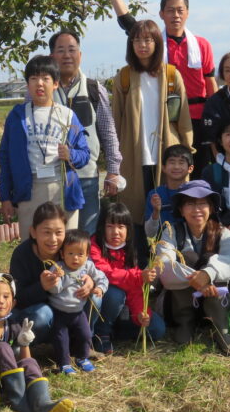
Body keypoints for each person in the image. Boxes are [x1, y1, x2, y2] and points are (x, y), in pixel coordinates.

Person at [104, 0, 218, 170]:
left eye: (180, 10)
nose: (176, 15)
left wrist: (217, 119)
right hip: (165, 119)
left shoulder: (201, 45)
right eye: (170, 10)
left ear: (187, 13)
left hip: (198, 119)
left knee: (201, 171)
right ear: (161, 14)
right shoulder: (154, 42)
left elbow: (211, 84)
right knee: (169, 173)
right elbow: (126, 20)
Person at [111, 18, 193, 263]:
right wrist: (113, 161)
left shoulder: (170, 75)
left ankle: (173, 264)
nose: (142, 45)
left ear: (157, 42)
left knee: (171, 210)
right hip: (133, 156)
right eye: (137, 40)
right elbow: (115, 120)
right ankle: (140, 267)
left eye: (148, 39)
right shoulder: (124, 77)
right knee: (135, 213)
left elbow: (184, 118)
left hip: (167, 155)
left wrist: (187, 151)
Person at [0, 56, 91, 238]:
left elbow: (85, 154)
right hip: (29, 189)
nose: (39, 84)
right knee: (31, 244)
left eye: (45, 79)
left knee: (66, 246)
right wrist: (5, 197)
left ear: (55, 83)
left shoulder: (67, 115)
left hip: (62, 190)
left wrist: (70, 154)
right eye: (33, 79)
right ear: (27, 84)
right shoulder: (17, 116)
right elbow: (5, 158)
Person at [0, 274, 73, 412]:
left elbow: (24, 361)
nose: (0, 301)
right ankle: (23, 403)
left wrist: (24, 344)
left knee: (29, 362)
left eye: (6, 296)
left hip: (6, 381)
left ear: (13, 302)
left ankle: (43, 403)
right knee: (2, 347)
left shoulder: (13, 325)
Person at [157, 181, 230, 356]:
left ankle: (221, 328)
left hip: (215, 299)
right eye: (190, 203)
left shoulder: (223, 233)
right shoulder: (171, 232)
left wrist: (208, 273)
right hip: (183, 299)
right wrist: (199, 281)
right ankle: (185, 321)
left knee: (213, 262)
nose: (196, 209)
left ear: (211, 208)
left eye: (202, 203)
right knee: (188, 258)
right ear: (181, 210)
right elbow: (164, 267)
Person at [49, 31, 124, 235]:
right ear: (51, 57)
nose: (67, 56)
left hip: (87, 176)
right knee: (54, 233)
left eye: (72, 50)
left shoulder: (93, 88)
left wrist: (113, 170)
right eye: (61, 50)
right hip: (49, 178)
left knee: (85, 234)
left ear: (80, 55)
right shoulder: (41, 90)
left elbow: (108, 133)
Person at [8, 202, 96, 346]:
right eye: (47, 232)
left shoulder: (71, 248)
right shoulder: (22, 255)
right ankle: (27, 343)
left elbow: (91, 269)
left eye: (59, 232)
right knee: (43, 314)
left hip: (68, 312)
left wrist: (90, 282)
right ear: (33, 232)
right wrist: (41, 287)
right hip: (38, 312)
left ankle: (82, 343)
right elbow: (18, 298)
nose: (53, 239)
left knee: (94, 298)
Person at [89, 203, 164, 355]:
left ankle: (115, 330)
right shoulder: (93, 245)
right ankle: (101, 332)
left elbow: (134, 288)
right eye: (110, 226)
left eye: (121, 227)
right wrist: (139, 277)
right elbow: (106, 273)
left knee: (157, 329)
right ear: (101, 227)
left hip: (124, 304)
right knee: (115, 294)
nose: (115, 232)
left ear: (128, 229)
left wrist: (141, 314)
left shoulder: (129, 248)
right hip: (100, 300)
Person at [47, 230, 107, 374]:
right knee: (62, 339)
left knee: (85, 335)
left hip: (78, 312)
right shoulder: (58, 268)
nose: (75, 258)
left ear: (87, 255)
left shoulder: (88, 266)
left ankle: (82, 357)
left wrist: (100, 288)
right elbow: (54, 290)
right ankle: (64, 364)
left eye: (80, 254)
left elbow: (102, 278)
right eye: (70, 253)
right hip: (59, 313)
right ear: (62, 254)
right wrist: (55, 279)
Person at [145, 145, 196, 240]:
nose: (176, 167)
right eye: (172, 162)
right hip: (163, 245)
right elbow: (150, 233)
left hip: (189, 243)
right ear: (163, 167)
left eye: (181, 163)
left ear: (190, 168)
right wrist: (156, 211)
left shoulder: (194, 193)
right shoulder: (155, 194)